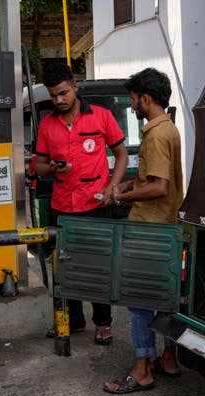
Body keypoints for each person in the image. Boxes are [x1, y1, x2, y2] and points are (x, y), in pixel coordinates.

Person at [35, 62, 128, 344]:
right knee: (64, 265)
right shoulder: (47, 124)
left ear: (75, 87)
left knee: (97, 265)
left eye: (63, 93)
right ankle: (73, 320)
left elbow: (121, 155)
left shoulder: (101, 117)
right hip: (62, 206)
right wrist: (52, 169)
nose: (59, 100)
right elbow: (38, 166)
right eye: (53, 96)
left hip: (96, 205)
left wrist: (112, 187)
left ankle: (103, 322)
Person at [103, 68, 184, 394]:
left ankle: (142, 368)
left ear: (146, 99)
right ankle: (169, 357)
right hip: (167, 227)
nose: (133, 105)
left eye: (134, 99)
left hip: (150, 229)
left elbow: (159, 187)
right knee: (166, 298)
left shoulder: (155, 136)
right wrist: (130, 183)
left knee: (139, 301)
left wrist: (122, 194)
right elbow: (153, 180)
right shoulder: (170, 130)